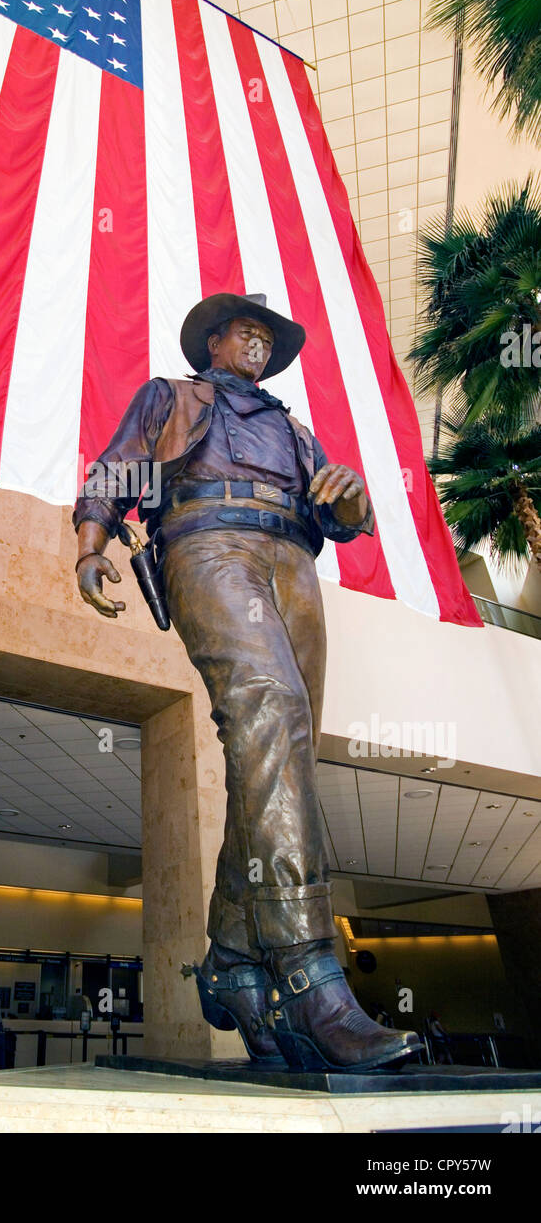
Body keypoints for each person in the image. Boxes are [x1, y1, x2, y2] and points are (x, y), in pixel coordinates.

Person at [73, 292, 422, 1073]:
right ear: (214, 340)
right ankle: (307, 969)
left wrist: (350, 500)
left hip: (292, 563)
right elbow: (118, 465)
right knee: (273, 710)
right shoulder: (172, 395)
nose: (258, 348)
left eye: (268, 339)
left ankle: (232, 960)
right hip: (208, 546)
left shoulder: (292, 427)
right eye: (246, 334)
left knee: (281, 747)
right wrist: (91, 544)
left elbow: (336, 520)